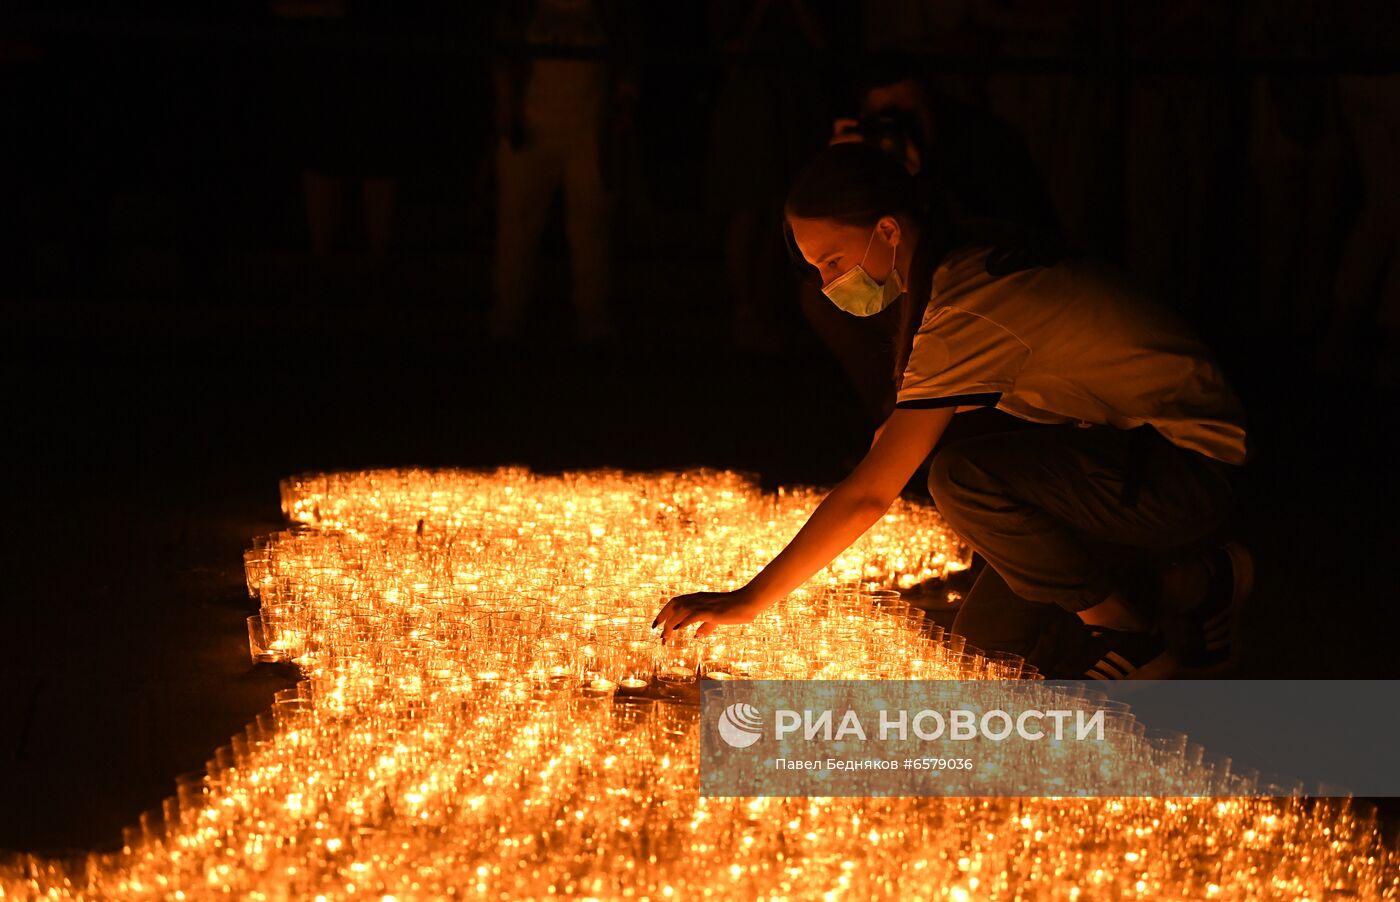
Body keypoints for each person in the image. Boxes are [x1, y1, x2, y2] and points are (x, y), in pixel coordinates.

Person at [654, 143, 1252, 680]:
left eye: (832, 261)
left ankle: (1130, 629)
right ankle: (1193, 585)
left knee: (962, 477)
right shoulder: (960, 264)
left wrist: (749, 599)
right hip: (1121, 459)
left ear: (887, 230)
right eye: (817, 270)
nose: (828, 283)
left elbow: (870, 495)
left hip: (1188, 469)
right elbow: (902, 433)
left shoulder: (966, 304)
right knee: (983, 650)